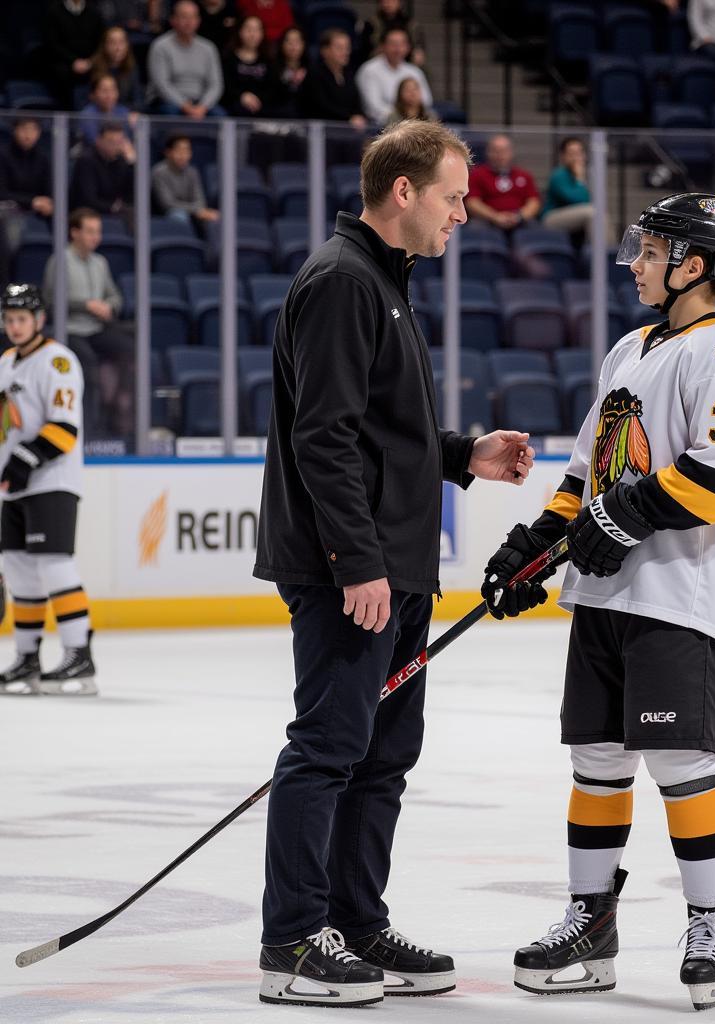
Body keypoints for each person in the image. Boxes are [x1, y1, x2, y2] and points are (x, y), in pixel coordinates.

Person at [253, 119, 537, 1007]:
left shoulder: (386, 282)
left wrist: (464, 456)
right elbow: (324, 438)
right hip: (358, 574)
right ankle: (294, 939)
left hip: (395, 568)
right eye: (454, 197)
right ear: (404, 192)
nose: (465, 212)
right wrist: (354, 561)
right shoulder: (343, 282)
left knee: (383, 755)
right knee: (330, 747)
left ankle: (356, 922)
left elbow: (383, 432)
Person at [480, 193, 715, 1012]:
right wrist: (533, 545)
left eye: (651, 252)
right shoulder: (630, 348)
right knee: (598, 760)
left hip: (682, 591)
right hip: (604, 590)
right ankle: (591, 919)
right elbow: (587, 474)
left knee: (682, 762)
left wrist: (629, 512)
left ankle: (713, 922)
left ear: (696, 264)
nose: (636, 263)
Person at [0, 283, 97, 697]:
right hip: (13, 486)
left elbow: (65, 426)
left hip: (52, 481)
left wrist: (23, 462)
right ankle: (27, 659)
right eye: (9, 319)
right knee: (21, 570)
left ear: (38, 320)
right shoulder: (5, 361)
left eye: (22, 318)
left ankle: (79, 655)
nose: (15, 326)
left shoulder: (58, 361)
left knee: (54, 564)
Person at [43, 208, 135, 438]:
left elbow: (115, 296)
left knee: (130, 351)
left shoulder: (100, 263)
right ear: (75, 232)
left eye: (98, 232)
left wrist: (108, 306)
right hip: (70, 329)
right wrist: (86, 305)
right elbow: (52, 302)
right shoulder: (60, 261)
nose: (96, 237)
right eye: (90, 231)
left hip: (96, 328)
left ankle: (121, 417)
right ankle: (89, 432)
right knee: (88, 365)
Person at [148, 0, 226, 118]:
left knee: (220, 115)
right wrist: (185, 106)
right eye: (184, 17)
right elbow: (162, 84)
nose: (189, 22)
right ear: (173, 20)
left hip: (200, 102)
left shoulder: (208, 48)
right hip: (168, 101)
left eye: (193, 17)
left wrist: (203, 106)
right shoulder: (160, 46)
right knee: (171, 113)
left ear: (199, 21)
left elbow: (216, 85)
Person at [0, 118, 54, 264]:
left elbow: (49, 190)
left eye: (33, 129)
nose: (28, 134)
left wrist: (49, 203)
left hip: (38, 210)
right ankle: (9, 277)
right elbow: (2, 192)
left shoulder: (43, 158)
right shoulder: (3, 156)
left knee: (63, 218)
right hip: (11, 210)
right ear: (15, 131)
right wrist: (33, 202)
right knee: (11, 229)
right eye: (24, 129)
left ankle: (53, 268)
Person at [355, 27, 433, 124]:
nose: (398, 49)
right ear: (382, 46)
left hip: (414, 124)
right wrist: (400, 119)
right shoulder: (369, 70)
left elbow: (426, 101)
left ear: (408, 47)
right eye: (393, 44)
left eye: (402, 44)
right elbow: (373, 108)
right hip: (381, 127)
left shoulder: (415, 71)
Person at [466, 134, 541, 231]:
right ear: (488, 152)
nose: (500, 155)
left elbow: (534, 202)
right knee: (474, 228)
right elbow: (472, 202)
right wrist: (495, 216)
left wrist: (519, 217)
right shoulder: (477, 175)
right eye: (496, 151)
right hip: (486, 221)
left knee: (536, 230)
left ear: (511, 152)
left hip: (520, 221)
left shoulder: (524, 175)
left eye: (504, 151)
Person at [43, 0, 105, 108]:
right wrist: (73, 61)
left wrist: (90, 61)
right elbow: (52, 43)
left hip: (89, 62)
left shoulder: (94, 11)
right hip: (63, 62)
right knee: (60, 73)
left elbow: (101, 42)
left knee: (102, 73)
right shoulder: (54, 11)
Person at [301, 29, 367, 126]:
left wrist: (359, 115)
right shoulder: (315, 73)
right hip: (321, 130)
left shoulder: (348, 74)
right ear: (325, 51)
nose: (345, 52)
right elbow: (322, 106)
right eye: (340, 48)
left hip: (347, 130)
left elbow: (356, 102)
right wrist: (349, 118)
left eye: (347, 48)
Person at [69, 124, 134, 218]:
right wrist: (114, 207)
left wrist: (132, 163)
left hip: (113, 216)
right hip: (84, 216)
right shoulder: (86, 161)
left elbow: (133, 195)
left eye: (119, 142)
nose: (115, 146)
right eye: (111, 141)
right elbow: (88, 200)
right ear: (98, 141)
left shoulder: (122, 162)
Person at [151, 135, 220, 223]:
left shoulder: (192, 172)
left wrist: (200, 211)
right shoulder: (159, 172)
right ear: (168, 152)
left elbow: (200, 201)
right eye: (179, 151)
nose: (183, 155)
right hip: (165, 215)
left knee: (214, 216)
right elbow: (167, 204)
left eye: (187, 151)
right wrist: (196, 210)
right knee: (179, 215)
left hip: (190, 212)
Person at [541, 136, 593, 242]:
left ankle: (609, 252)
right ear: (563, 156)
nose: (576, 157)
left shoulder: (590, 174)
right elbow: (579, 200)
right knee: (591, 212)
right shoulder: (559, 175)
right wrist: (579, 179)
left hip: (575, 216)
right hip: (551, 218)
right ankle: (606, 253)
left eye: (579, 153)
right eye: (571, 153)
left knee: (598, 213)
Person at [222, 14, 275, 116]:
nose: (252, 34)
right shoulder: (228, 58)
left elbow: (272, 88)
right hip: (235, 106)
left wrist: (257, 99)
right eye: (249, 29)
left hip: (262, 107)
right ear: (240, 31)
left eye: (257, 30)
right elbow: (226, 86)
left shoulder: (269, 59)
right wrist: (242, 96)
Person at [91, 25, 145, 110]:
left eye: (121, 42)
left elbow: (138, 100)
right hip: (98, 114)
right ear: (104, 45)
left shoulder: (132, 68)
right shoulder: (94, 66)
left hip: (124, 114)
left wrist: (130, 112)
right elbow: (86, 99)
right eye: (113, 42)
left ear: (127, 45)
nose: (118, 48)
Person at [79, 75, 137, 150]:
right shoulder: (87, 115)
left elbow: (128, 140)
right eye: (104, 90)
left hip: (120, 158)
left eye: (113, 90)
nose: (109, 95)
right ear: (93, 95)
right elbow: (96, 142)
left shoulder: (123, 111)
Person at [371, 0, 426, 68]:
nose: (388, 4)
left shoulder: (410, 24)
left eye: (392, 1)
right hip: (381, 60)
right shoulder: (372, 23)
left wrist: (417, 51)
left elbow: (418, 43)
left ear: (399, 3)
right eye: (385, 1)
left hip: (407, 60)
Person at [269, 24, 308, 117]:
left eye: (297, 42)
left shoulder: (311, 69)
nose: (293, 46)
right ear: (282, 44)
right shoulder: (272, 68)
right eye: (289, 41)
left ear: (303, 44)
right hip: (278, 117)